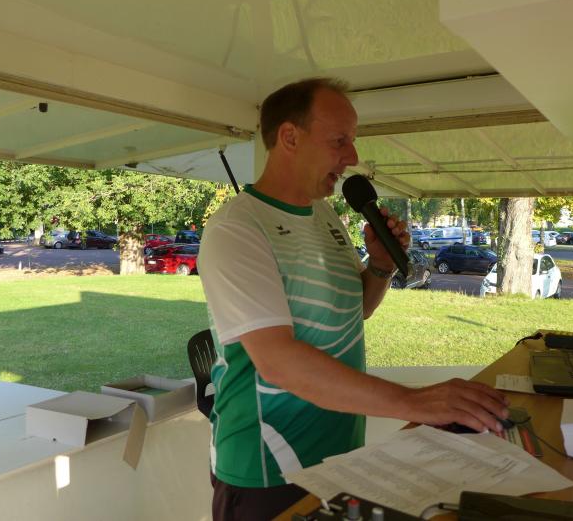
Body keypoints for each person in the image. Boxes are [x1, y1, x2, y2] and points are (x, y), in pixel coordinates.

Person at [197, 77, 510, 520]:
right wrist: (414, 402)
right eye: (339, 141)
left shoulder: (325, 216)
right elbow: (277, 361)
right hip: (268, 471)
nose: (352, 157)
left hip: (339, 454)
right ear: (290, 137)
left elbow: (354, 310)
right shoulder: (237, 228)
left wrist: (380, 265)